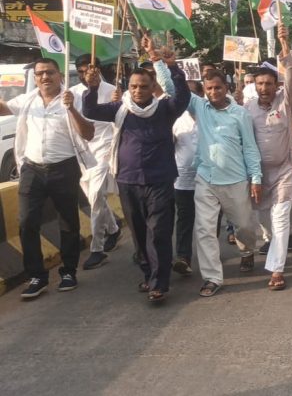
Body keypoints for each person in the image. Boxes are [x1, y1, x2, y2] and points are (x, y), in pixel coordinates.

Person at [83, 37, 190, 303]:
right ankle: (148, 273)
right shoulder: (120, 109)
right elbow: (90, 110)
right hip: (128, 181)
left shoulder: (165, 108)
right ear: (128, 88)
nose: (138, 90)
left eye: (143, 86)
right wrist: (92, 87)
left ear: (153, 87)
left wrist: (173, 67)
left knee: (159, 232)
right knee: (139, 234)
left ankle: (159, 283)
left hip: (160, 181)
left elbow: (183, 97)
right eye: (133, 86)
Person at [0, 58, 94, 299]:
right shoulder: (28, 100)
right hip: (32, 170)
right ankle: (37, 276)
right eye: (40, 73)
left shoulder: (73, 99)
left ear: (59, 75)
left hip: (64, 168)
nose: (45, 77)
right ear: (35, 77)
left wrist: (71, 109)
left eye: (50, 72)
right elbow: (3, 108)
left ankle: (69, 271)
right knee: (27, 222)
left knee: (68, 222)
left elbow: (89, 133)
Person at [188, 68, 262, 298]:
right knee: (204, 229)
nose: (213, 92)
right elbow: (173, 89)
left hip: (235, 180)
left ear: (226, 88)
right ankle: (212, 277)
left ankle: (247, 251)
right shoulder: (199, 106)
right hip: (206, 178)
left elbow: (249, 147)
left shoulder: (240, 114)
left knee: (244, 226)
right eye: (209, 88)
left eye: (217, 87)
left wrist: (256, 178)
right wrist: (160, 62)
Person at [245, 22, 292, 290]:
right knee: (265, 220)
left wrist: (285, 47)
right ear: (254, 86)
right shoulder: (247, 108)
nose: (264, 88)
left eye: (268, 83)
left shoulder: (284, 101)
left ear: (276, 85)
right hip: (259, 175)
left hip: (286, 170)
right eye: (260, 83)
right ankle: (273, 246)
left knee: (280, 218)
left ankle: (277, 270)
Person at [70, 54, 122, 270]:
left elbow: (118, 120)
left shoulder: (112, 91)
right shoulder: (72, 93)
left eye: (89, 70)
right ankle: (113, 229)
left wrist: (119, 102)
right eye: (81, 72)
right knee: (94, 198)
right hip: (82, 152)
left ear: (98, 70)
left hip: (104, 148)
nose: (86, 75)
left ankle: (97, 249)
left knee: (96, 196)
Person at [171, 80, 203, 276]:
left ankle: (209, 254)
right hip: (183, 180)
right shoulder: (175, 118)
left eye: (191, 94)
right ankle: (183, 257)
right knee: (184, 218)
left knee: (209, 220)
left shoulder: (210, 116)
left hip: (209, 178)